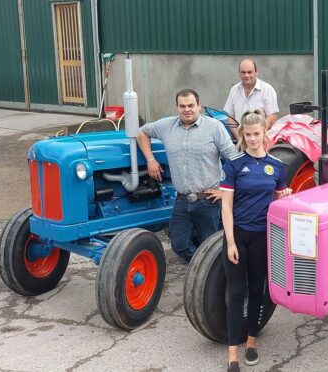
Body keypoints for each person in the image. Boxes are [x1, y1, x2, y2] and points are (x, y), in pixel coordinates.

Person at [219, 110, 291, 372]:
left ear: (264, 133)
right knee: (237, 293)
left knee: (257, 292)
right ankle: (232, 354)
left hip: (263, 237)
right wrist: (230, 242)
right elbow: (226, 207)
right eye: (248, 134)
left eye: (256, 134)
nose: (252, 139)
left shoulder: (277, 166)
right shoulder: (234, 164)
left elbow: (280, 201)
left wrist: (286, 197)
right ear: (242, 136)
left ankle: (251, 343)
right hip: (238, 235)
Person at [137, 88, 237, 263]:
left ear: (199, 105)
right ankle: (202, 270)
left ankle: (211, 278)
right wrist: (150, 159)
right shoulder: (166, 126)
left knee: (211, 247)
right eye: (182, 106)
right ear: (177, 107)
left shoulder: (214, 127)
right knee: (179, 245)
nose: (187, 109)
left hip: (209, 201)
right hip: (182, 201)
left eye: (191, 105)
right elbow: (142, 132)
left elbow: (235, 160)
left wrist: (225, 192)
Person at [223, 58, 279, 137]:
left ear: (256, 72)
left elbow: (272, 117)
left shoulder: (267, 90)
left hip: (261, 141)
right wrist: (239, 137)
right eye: (243, 72)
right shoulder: (234, 90)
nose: (246, 75)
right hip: (240, 140)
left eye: (249, 72)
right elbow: (230, 117)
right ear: (239, 73)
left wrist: (257, 136)